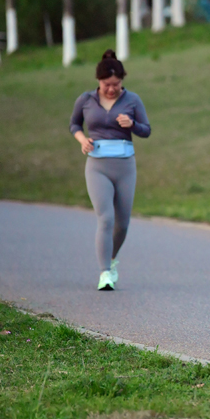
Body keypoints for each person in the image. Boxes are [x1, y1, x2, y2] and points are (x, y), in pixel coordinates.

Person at [70, 50, 151, 291]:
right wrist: (82, 139)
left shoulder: (133, 100)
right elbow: (74, 123)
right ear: (98, 81)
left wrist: (132, 124)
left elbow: (146, 130)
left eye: (116, 84)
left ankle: (112, 259)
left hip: (125, 165)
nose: (111, 89)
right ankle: (104, 272)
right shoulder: (85, 100)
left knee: (122, 224)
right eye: (107, 84)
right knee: (105, 218)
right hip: (97, 166)